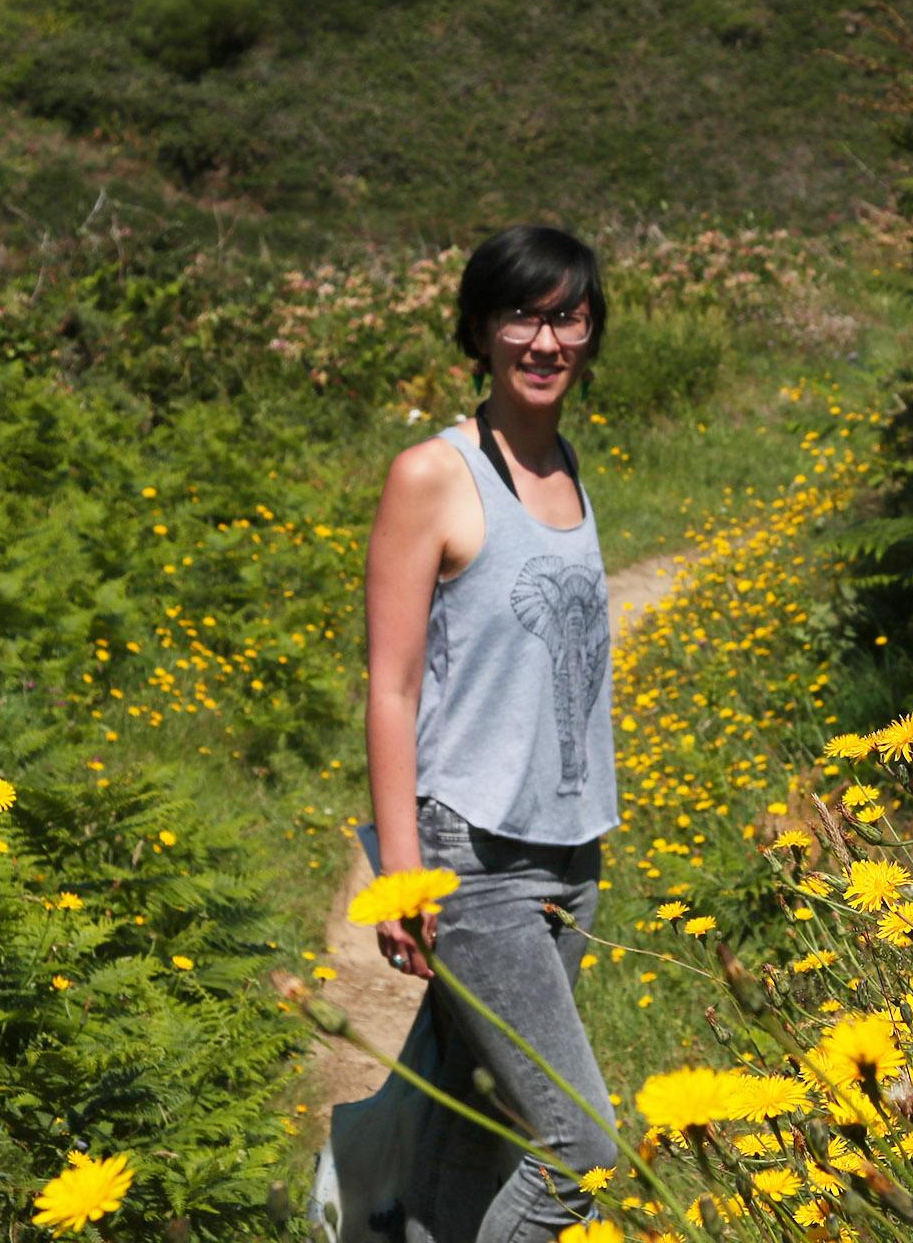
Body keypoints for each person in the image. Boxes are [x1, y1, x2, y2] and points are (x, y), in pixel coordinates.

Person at [360, 224, 621, 1243]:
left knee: (491, 1118)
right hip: (474, 860)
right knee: (580, 1146)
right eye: (523, 314)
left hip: (571, 852)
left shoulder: (566, 467)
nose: (546, 341)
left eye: (568, 316)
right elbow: (390, 687)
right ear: (478, 330)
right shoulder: (433, 473)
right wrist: (401, 880)